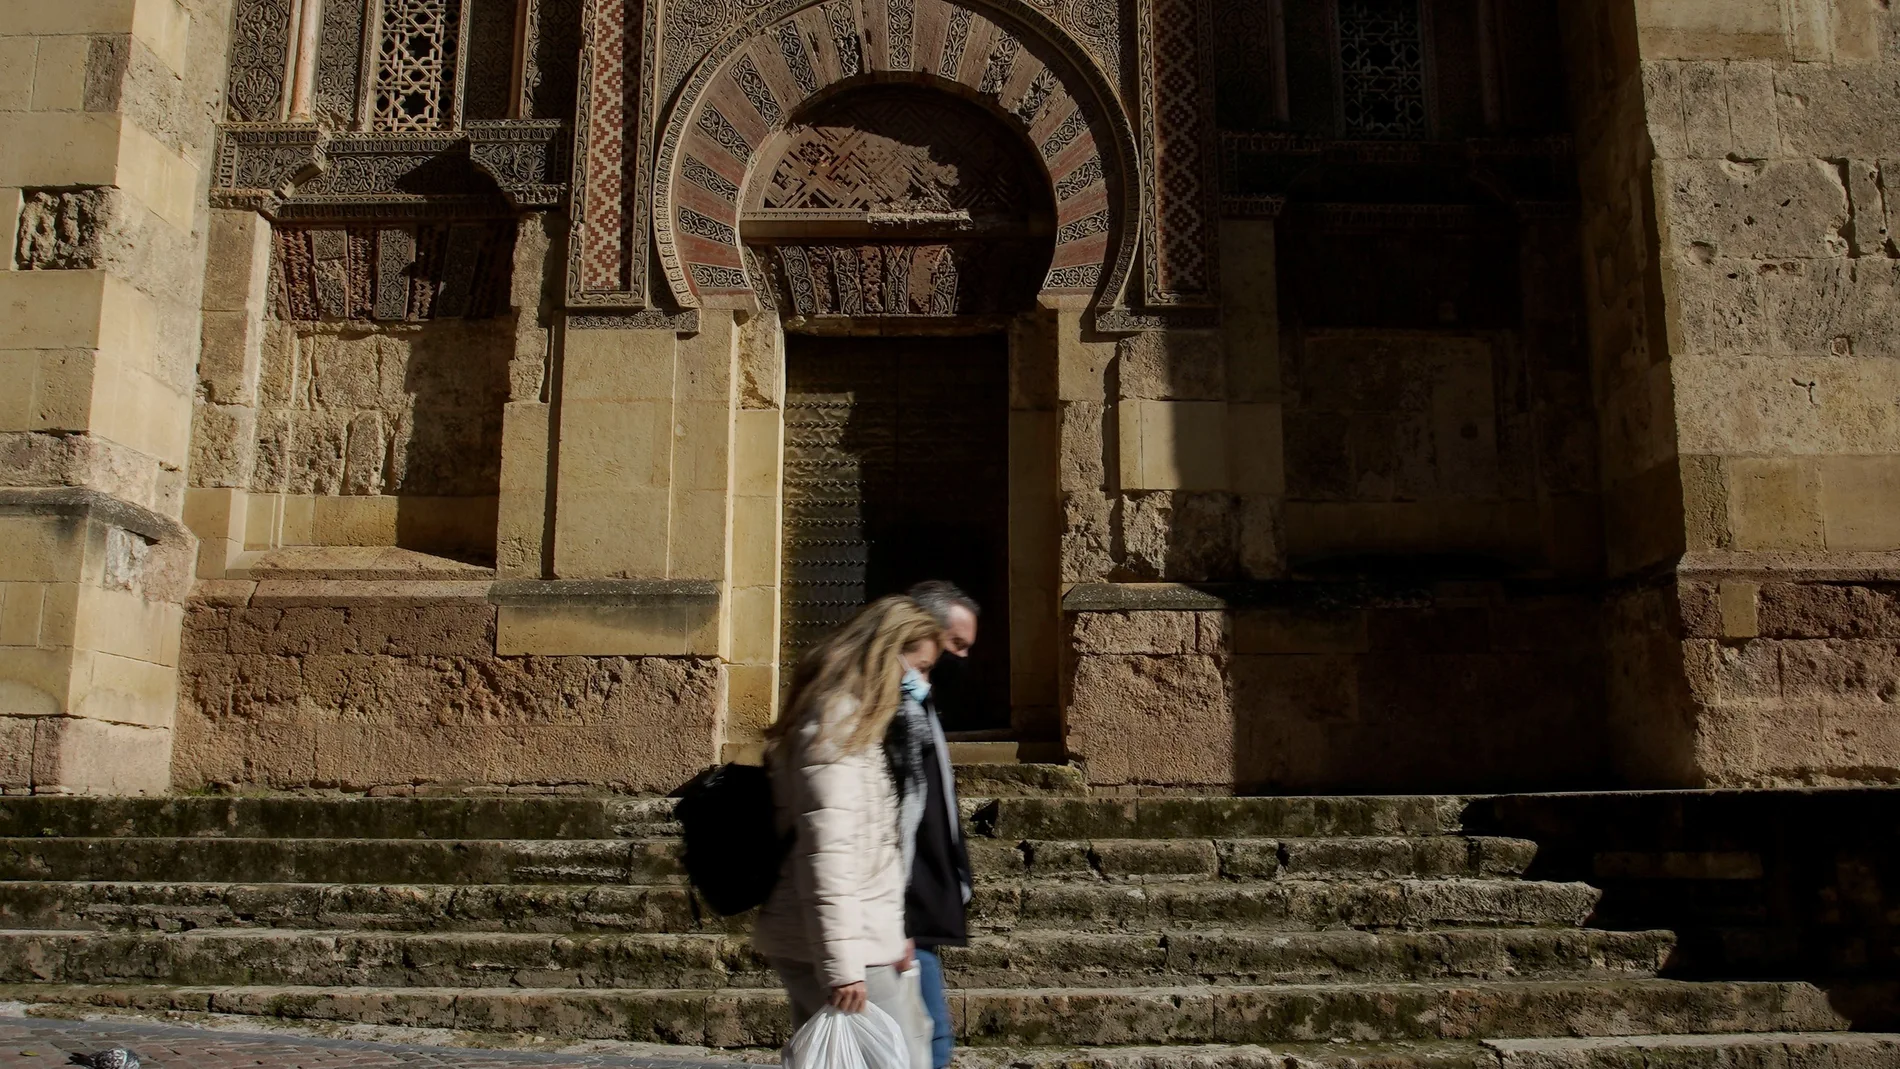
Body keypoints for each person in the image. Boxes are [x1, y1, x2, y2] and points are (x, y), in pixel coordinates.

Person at [753, 595, 938, 1069]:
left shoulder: (848, 719)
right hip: (844, 946)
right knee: (904, 1057)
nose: (920, 682)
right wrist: (842, 968)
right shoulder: (835, 723)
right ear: (887, 654)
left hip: (847, 938)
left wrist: (893, 934)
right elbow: (827, 852)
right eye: (916, 667)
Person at [896, 581, 979, 1069]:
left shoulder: (920, 705)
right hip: (906, 908)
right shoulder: (893, 712)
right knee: (932, 1040)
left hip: (922, 903)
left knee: (931, 1037)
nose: (962, 659)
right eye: (956, 646)